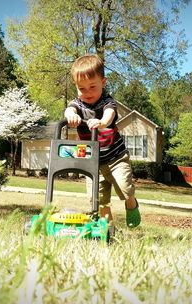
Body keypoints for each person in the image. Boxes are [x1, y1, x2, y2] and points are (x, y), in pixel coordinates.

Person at [64, 54, 140, 232]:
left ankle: (131, 203)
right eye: (82, 88)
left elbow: (109, 114)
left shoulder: (108, 101)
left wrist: (102, 123)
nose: (87, 92)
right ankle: (108, 229)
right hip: (93, 162)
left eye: (92, 87)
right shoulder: (77, 104)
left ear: (103, 82)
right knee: (98, 199)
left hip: (116, 158)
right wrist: (70, 115)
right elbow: (69, 109)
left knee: (125, 187)